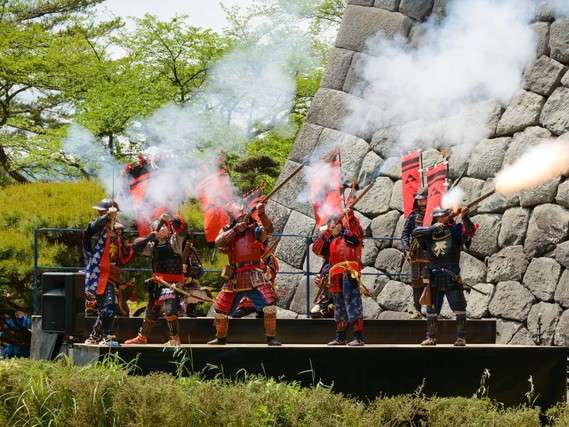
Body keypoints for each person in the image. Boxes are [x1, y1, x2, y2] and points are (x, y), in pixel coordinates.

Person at [208, 201, 281, 346]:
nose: (241, 217)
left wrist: (262, 214)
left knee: (270, 306)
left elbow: (270, 229)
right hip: (235, 275)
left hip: (254, 274)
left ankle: (271, 338)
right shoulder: (228, 230)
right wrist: (236, 230)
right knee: (220, 310)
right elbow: (218, 242)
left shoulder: (255, 230)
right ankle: (221, 338)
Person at [413, 207, 477, 346]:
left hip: (451, 274)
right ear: (435, 219)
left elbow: (470, 232)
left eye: (443, 217)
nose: (441, 219)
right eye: (438, 218)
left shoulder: (455, 230)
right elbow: (415, 232)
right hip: (434, 275)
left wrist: (465, 217)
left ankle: (461, 337)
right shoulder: (428, 233)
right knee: (432, 310)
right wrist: (432, 229)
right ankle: (431, 337)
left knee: (459, 307)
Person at [124, 213, 188, 346]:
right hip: (158, 283)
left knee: (170, 311)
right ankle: (142, 338)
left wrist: (172, 220)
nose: (164, 229)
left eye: (166, 227)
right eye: (161, 227)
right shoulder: (151, 245)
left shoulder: (174, 240)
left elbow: (183, 229)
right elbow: (136, 247)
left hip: (172, 283)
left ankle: (175, 339)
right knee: (151, 312)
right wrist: (151, 236)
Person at [312, 208, 365, 346]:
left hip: (349, 274)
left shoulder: (349, 236)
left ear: (341, 224)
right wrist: (327, 232)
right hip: (335, 276)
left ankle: (359, 338)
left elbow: (357, 232)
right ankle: (340, 337)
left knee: (353, 304)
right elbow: (316, 249)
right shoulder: (329, 241)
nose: (333, 226)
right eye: (331, 224)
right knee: (339, 306)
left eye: (335, 224)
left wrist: (350, 214)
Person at [83, 199, 121, 346]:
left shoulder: (113, 233)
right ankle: (107, 336)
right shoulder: (93, 230)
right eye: (110, 214)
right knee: (109, 307)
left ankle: (95, 336)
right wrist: (106, 217)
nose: (115, 217)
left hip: (110, 276)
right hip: (97, 276)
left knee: (107, 307)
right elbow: (94, 226)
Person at [401, 188, 429, 319]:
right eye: (419, 200)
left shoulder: (434, 215)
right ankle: (417, 310)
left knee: (430, 282)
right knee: (416, 282)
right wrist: (406, 249)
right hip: (416, 253)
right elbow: (405, 234)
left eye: (423, 199)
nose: (421, 202)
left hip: (430, 253)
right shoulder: (413, 216)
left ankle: (431, 310)